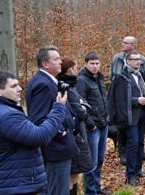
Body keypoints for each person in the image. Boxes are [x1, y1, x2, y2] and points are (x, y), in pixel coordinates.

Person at [0, 71, 67, 195]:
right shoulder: (8, 116)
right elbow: (40, 136)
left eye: (18, 85)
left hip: (4, 182)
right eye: (13, 86)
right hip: (14, 185)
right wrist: (59, 108)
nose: (20, 89)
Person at [26, 46, 79, 195]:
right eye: (56, 59)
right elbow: (39, 119)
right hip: (56, 150)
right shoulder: (42, 84)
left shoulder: (49, 81)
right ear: (45, 64)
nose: (61, 61)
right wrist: (60, 132)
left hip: (60, 149)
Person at [107, 50, 145, 186]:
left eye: (139, 59)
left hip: (142, 114)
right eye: (135, 59)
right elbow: (119, 99)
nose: (138, 62)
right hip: (129, 116)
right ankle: (129, 175)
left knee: (140, 142)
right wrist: (136, 100)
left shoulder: (140, 75)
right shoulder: (121, 78)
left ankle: (137, 169)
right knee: (133, 143)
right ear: (128, 62)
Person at [110, 36, 145, 164]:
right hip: (121, 97)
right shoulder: (117, 58)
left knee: (139, 132)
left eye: (125, 43)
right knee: (122, 128)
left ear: (133, 45)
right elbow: (112, 75)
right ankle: (122, 153)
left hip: (138, 99)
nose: (122, 44)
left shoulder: (143, 60)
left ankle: (140, 153)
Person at [57, 58, 95, 195]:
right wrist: (83, 109)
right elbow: (78, 108)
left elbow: (82, 102)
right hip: (74, 133)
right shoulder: (64, 86)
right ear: (69, 69)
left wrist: (83, 106)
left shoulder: (72, 85)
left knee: (75, 174)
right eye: (75, 67)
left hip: (79, 131)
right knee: (71, 174)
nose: (77, 70)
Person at [76, 52, 111, 195]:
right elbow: (80, 104)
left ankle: (96, 187)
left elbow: (103, 100)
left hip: (104, 123)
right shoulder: (82, 80)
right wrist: (91, 123)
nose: (95, 66)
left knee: (100, 159)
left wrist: (107, 117)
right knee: (91, 161)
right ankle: (90, 191)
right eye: (92, 63)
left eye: (97, 63)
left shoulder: (100, 78)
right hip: (92, 127)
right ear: (86, 64)